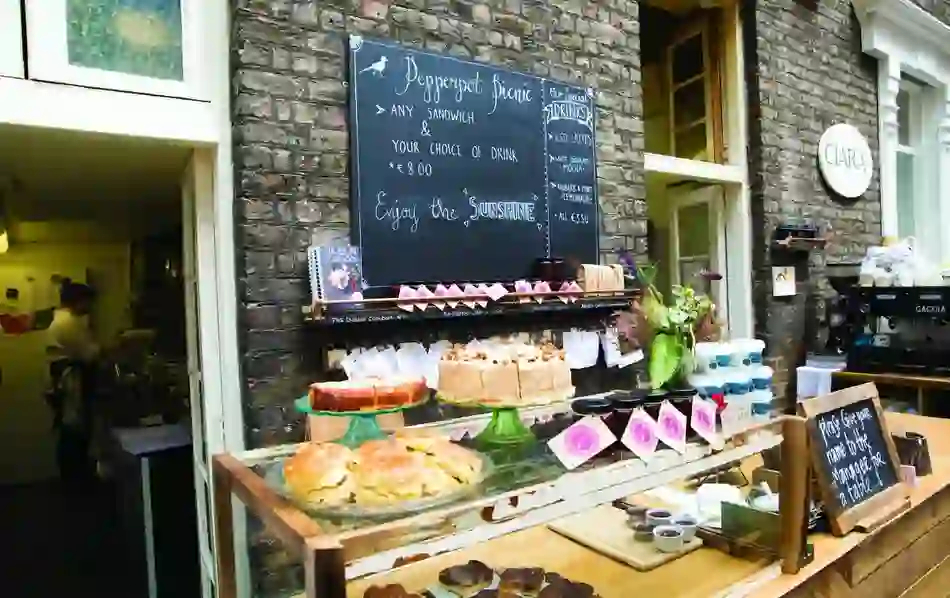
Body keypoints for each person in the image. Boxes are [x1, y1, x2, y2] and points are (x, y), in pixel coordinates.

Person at [47, 281, 100, 485]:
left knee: (70, 430)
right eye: (87, 302)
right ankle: (76, 479)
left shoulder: (61, 321)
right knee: (74, 432)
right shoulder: (68, 323)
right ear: (78, 301)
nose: (89, 308)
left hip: (64, 382)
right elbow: (90, 354)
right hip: (70, 382)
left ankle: (72, 477)